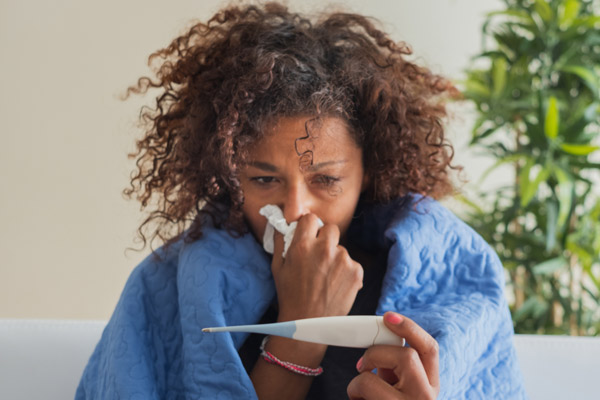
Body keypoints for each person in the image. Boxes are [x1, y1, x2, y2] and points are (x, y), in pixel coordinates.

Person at [77, 2, 526, 399]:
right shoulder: (164, 290)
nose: (294, 210)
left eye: (326, 179)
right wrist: (301, 330)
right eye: (263, 178)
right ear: (229, 174)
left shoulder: (449, 284)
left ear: (368, 172)